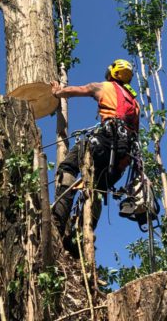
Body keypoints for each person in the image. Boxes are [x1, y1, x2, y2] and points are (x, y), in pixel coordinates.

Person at [51, 58, 140, 246]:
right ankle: (81, 239)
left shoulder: (104, 87)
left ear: (111, 72)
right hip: (121, 160)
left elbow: (79, 90)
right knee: (98, 190)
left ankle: (57, 220)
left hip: (102, 143)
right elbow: (135, 135)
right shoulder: (135, 104)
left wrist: (58, 92)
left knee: (68, 167)